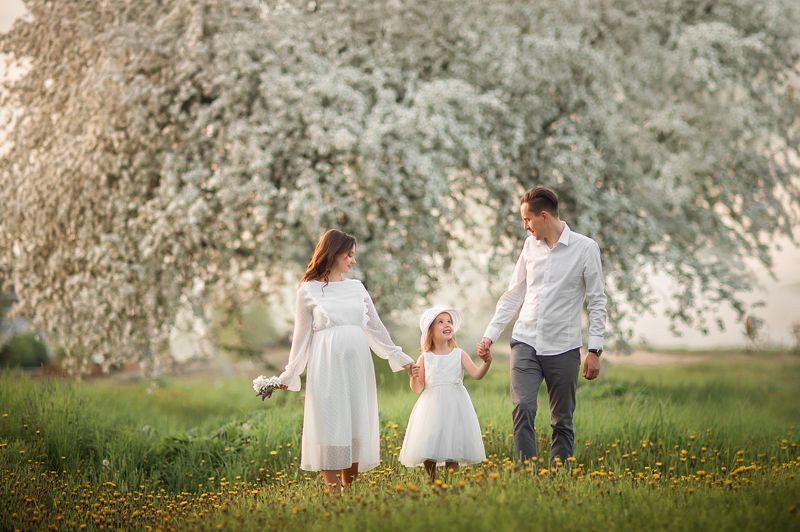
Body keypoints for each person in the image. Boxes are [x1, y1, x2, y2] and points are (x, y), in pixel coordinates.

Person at [274, 229, 418, 492]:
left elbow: (376, 328)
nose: (353, 261)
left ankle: (349, 488)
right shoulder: (308, 290)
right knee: (330, 421)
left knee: (355, 421)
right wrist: (290, 373)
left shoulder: (356, 288)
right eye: (349, 255)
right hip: (327, 365)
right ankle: (333, 493)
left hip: (357, 366)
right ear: (333, 254)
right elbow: (302, 336)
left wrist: (401, 358)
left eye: (354, 255)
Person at [477, 186, 607, 465]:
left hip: (564, 346)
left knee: (562, 419)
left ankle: (558, 475)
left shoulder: (585, 249)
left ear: (544, 216)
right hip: (525, 340)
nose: (525, 227)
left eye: (527, 220)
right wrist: (490, 335)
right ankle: (527, 472)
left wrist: (594, 350)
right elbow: (514, 294)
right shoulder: (529, 246)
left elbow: (597, 301)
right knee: (522, 405)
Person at [399, 307, 491, 481]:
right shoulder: (425, 357)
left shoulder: (459, 354)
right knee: (429, 441)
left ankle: (452, 481)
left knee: (453, 443)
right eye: (440, 322)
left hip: (455, 404)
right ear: (430, 331)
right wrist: (413, 376)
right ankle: (432, 479)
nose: (447, 324)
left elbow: (477, 374)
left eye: (449, 321)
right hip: (432, 405)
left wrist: (487, 362)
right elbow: (418, 388)